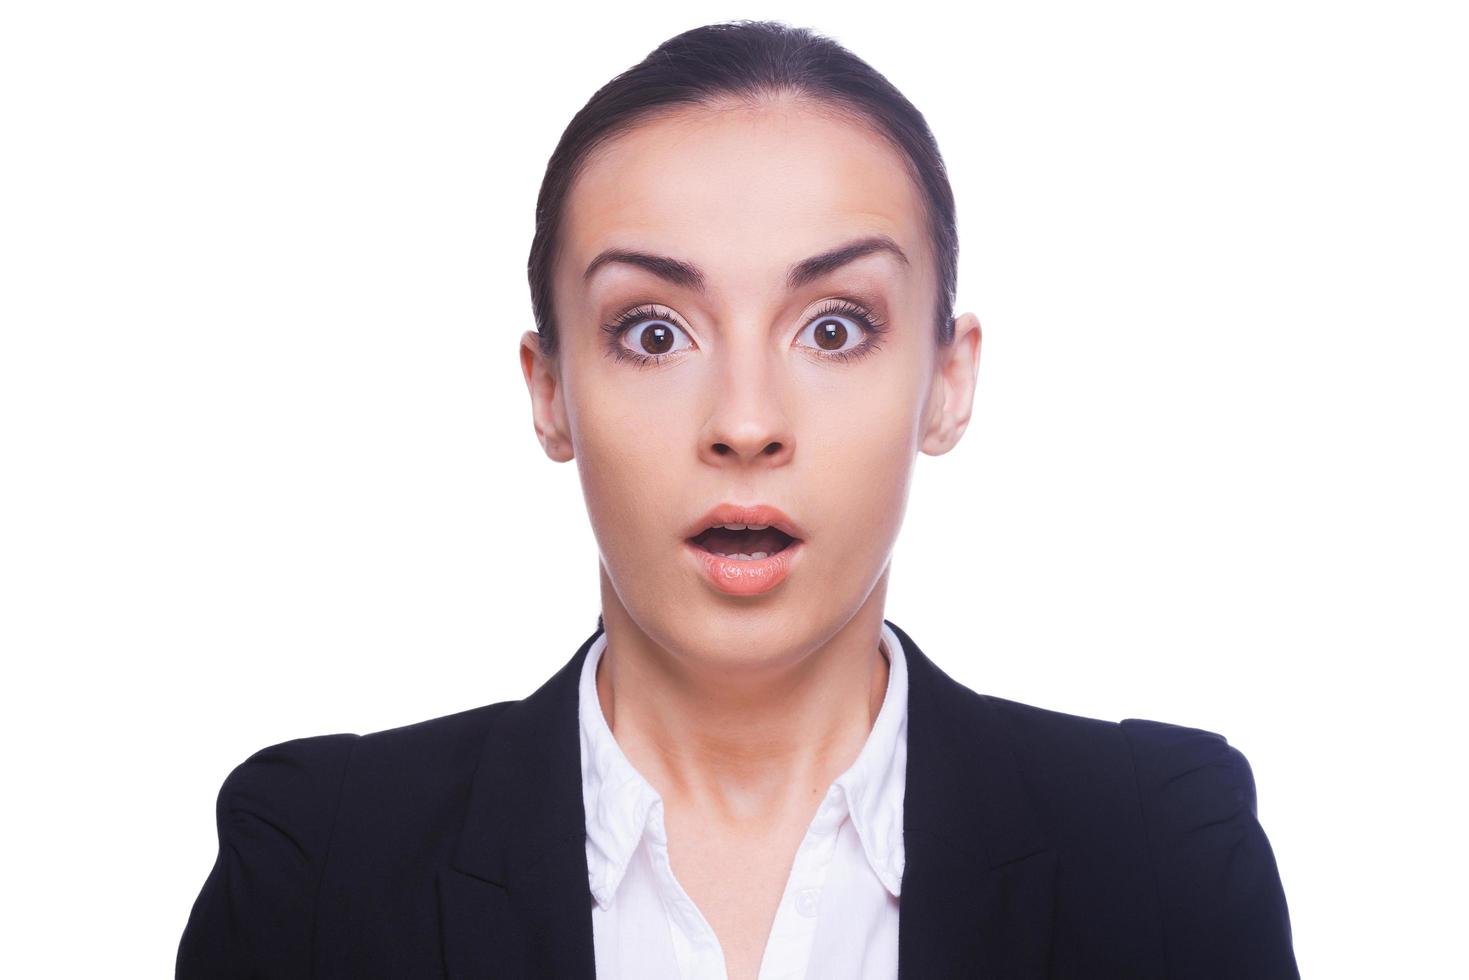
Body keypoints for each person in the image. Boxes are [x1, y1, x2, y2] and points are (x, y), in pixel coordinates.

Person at [176, 19, 1299, 979]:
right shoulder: (315, 869)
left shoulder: (1160, 853)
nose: (746, 421)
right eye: (652, 332)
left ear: (947, 383)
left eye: (834, 327)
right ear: (550, 390)